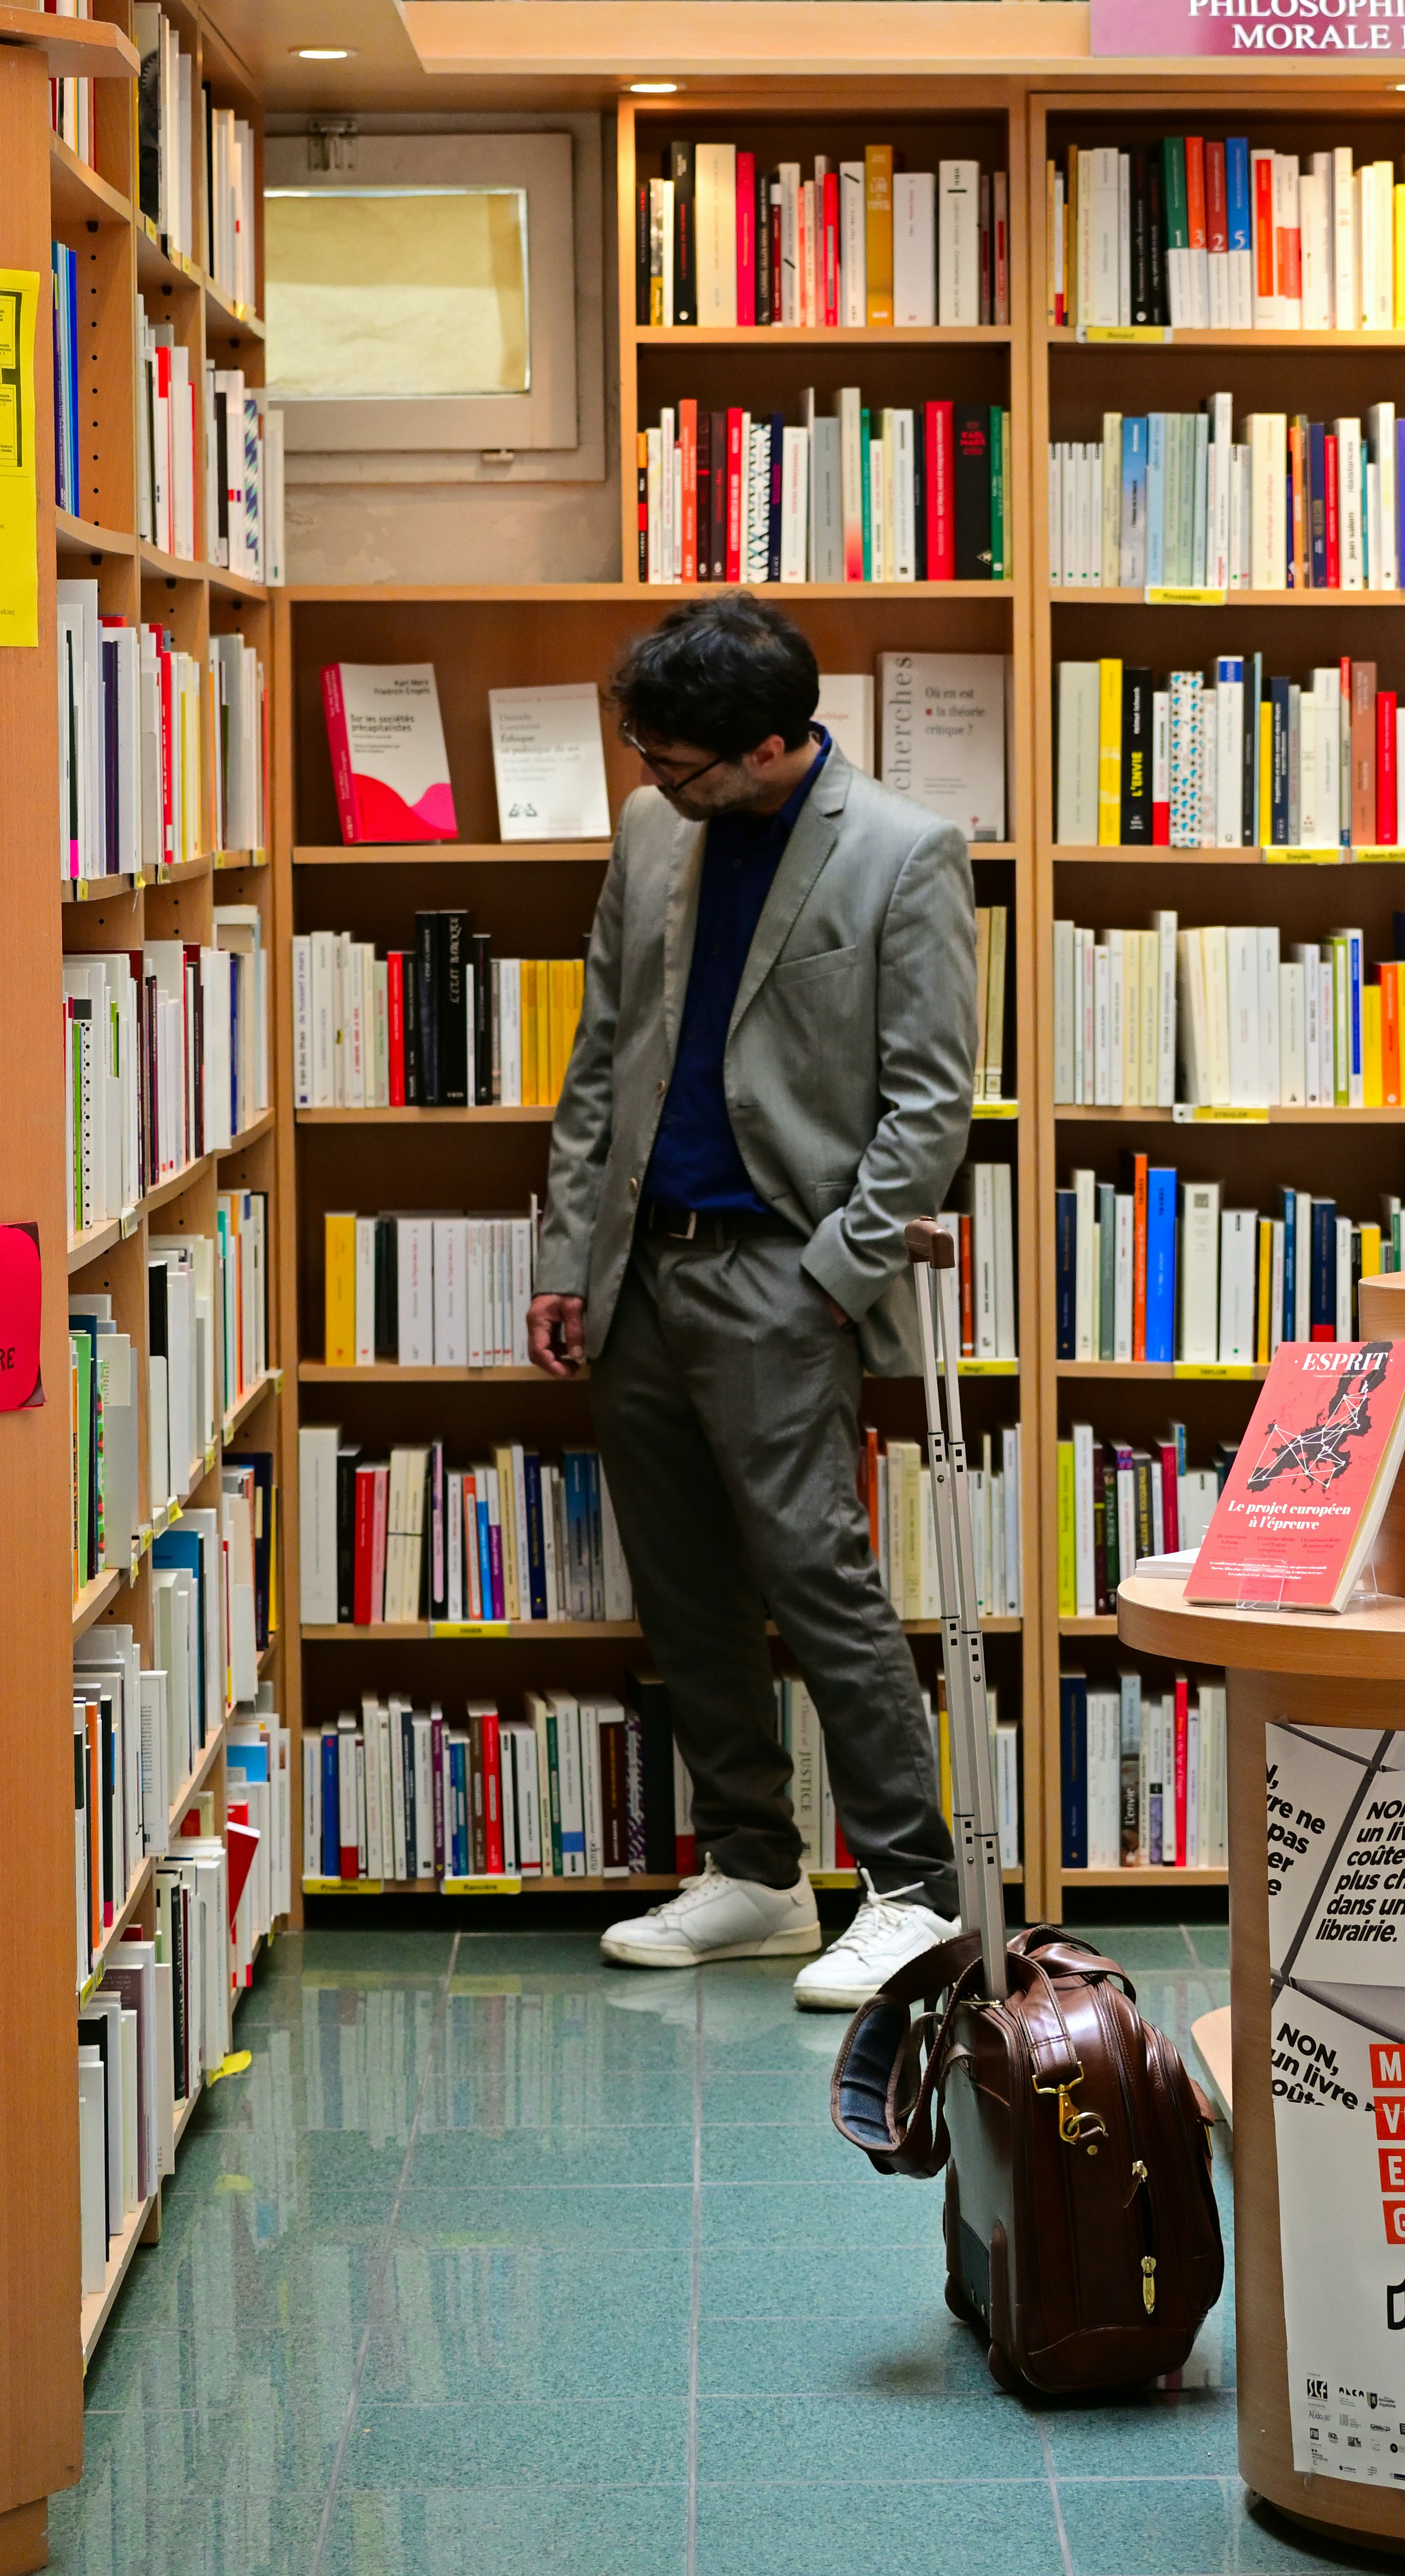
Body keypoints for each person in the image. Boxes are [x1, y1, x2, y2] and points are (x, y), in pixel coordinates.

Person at [529, 596, 978, 2008]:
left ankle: (913, 1890)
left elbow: (929, 1099)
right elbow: (602, 1053)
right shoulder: (654, 830)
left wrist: (833, 1274)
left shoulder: (905, 853)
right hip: (638, 1269)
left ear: (775, 745)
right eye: (648, 758)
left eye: (683, 764)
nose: (658, 783)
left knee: (819, 1582)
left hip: (781, 1273)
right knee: (682, 1586)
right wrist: (565, 1255)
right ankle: (757, 1872)